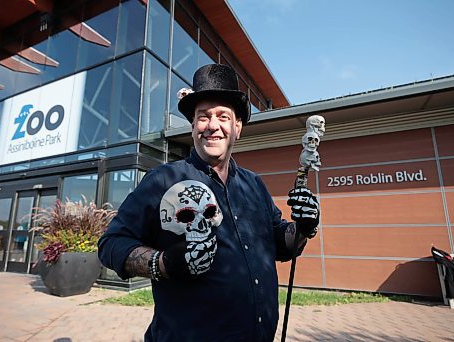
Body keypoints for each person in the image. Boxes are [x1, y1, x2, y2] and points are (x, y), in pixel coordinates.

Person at [98, 64, 320, 341]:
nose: (212, 125)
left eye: (223, 117)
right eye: (203, 117)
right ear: (192, 127)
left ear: (237, 127)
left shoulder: (255, 185)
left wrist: (304, 226)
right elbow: (111, 244)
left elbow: (282, 245)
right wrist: (163, 263)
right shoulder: (163, 180)